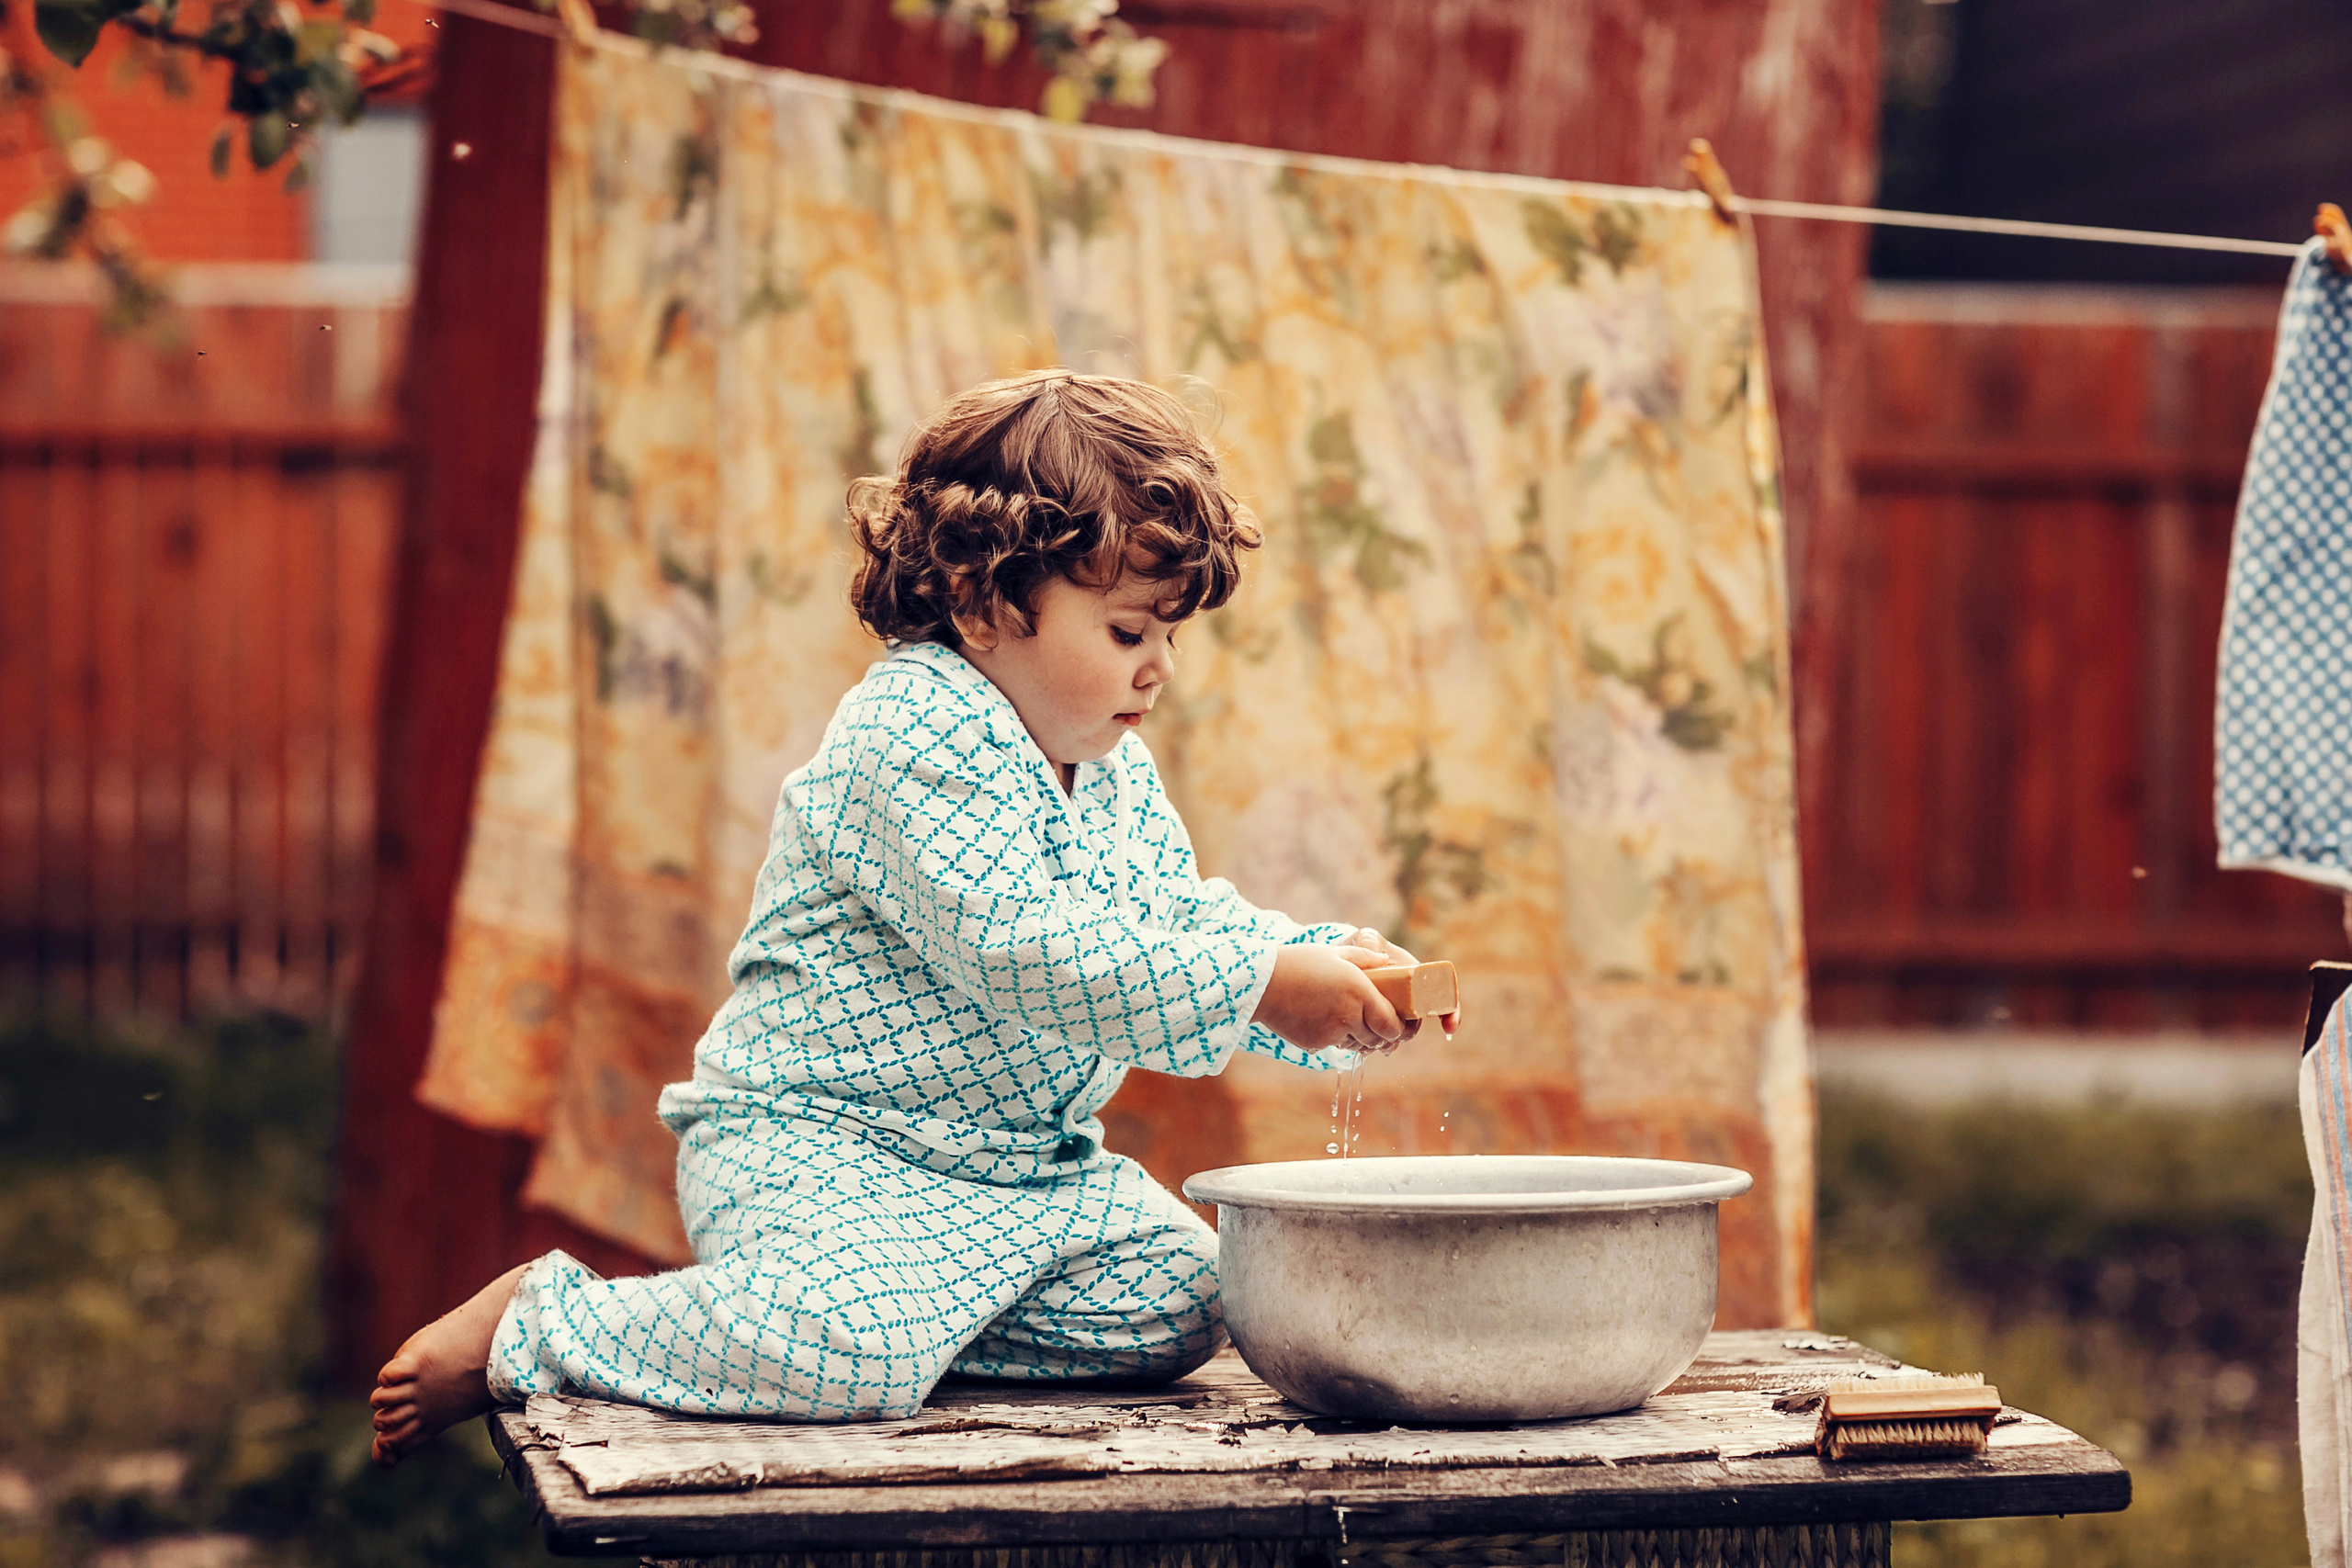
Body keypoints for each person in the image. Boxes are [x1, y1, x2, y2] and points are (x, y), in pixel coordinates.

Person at [368, 369, 1457, 1462]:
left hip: (1023, 1172)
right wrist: (1263, 984)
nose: (1159, 668)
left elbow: (1173, 919)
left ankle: (909, 1320)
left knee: (1194, 1302)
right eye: (1129, 630)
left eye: (1169, 635)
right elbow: (1024, 950)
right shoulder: (910, 732)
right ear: (986, 607)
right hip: (827, 1146)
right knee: (841, 1352)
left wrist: (1309, 960)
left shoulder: (1109, 770)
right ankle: (546, 1322)